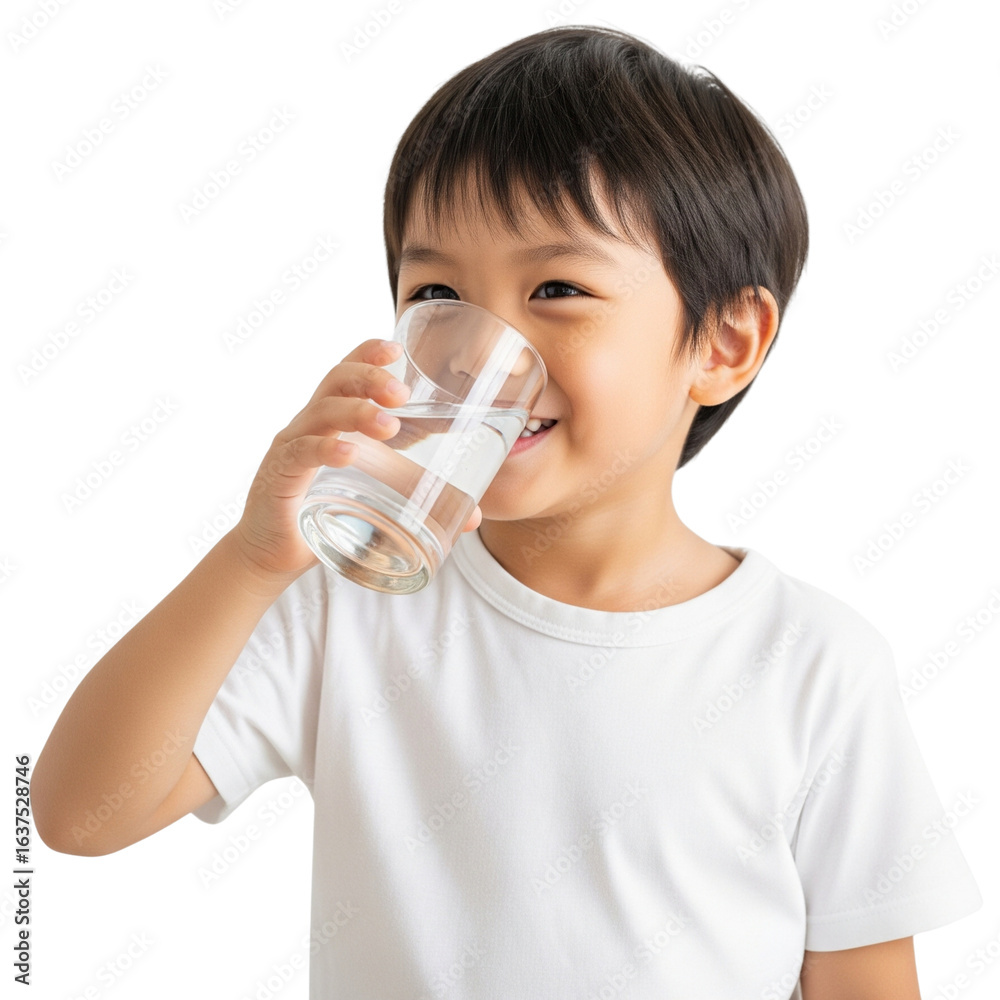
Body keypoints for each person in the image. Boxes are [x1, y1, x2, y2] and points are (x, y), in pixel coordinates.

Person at [31, 24, 982, 999]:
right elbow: (79, 814)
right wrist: (251, 558)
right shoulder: (352, 600)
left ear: (723, 344)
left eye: (557, 288)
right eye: (438, 292)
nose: (480, 349)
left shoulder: (812, 665)